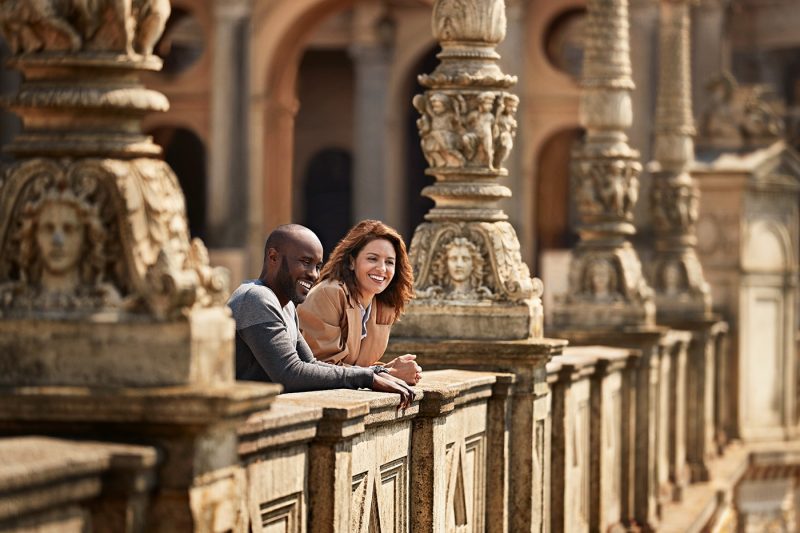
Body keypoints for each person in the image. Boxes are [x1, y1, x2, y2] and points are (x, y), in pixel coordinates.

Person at [227, 224, 414, 407]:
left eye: (318, 266)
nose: (314, 275)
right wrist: (367, 378)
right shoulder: (255, 297)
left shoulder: (287, 306)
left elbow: (310, 363)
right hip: (235, 424)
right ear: (273, 257)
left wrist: (377, 372)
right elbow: (290, 373)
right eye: (305, 262)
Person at [297, 220, 422, 385]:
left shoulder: (383, 305)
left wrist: (386, 369)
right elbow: (325, 368)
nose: (382, 269)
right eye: (372, 259)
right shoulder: (329, 294)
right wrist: (387, 373)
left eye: (389, 262)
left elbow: (358, 366)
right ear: (351, 261)